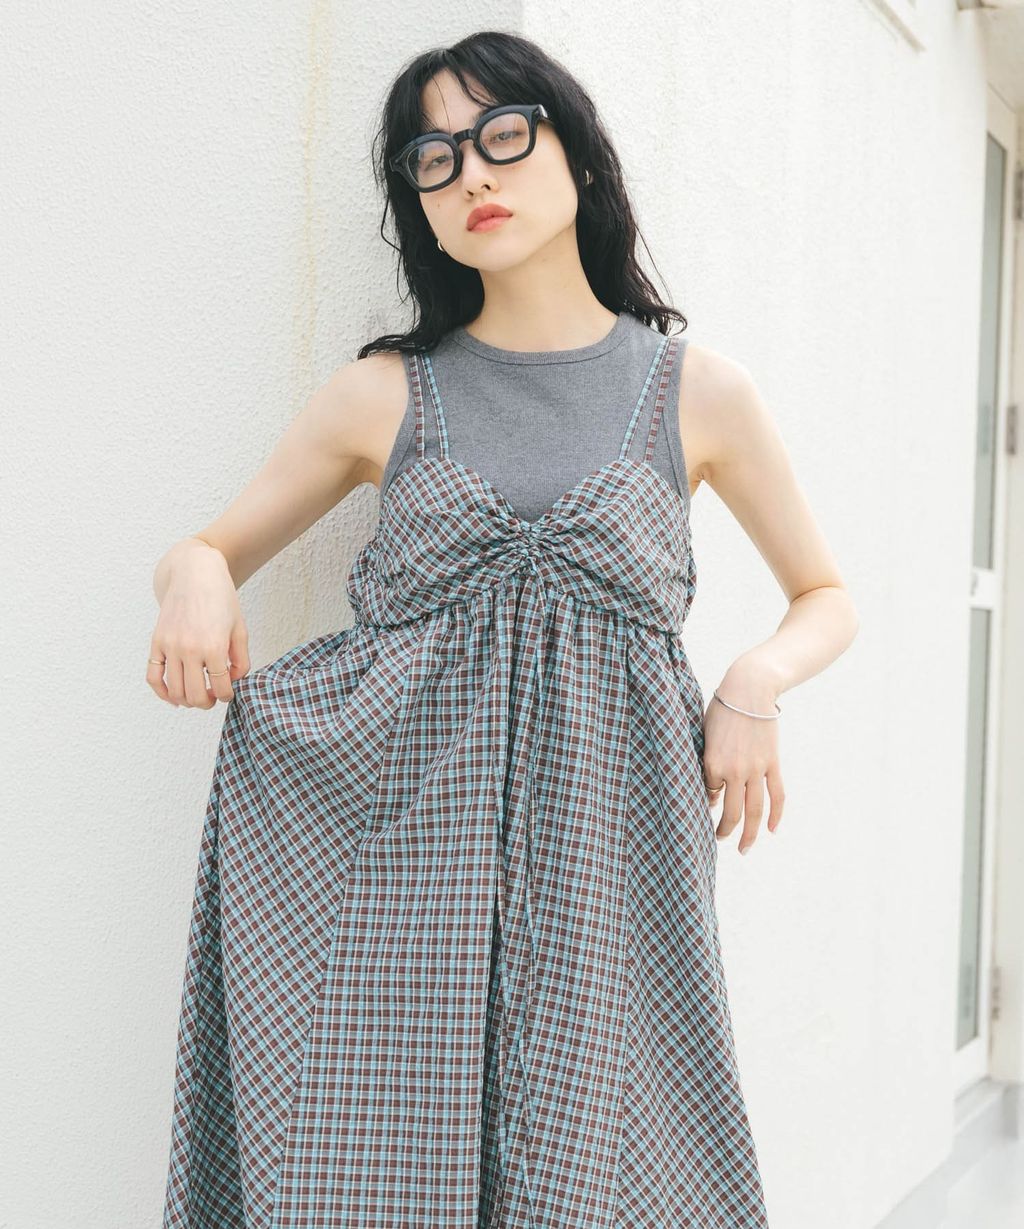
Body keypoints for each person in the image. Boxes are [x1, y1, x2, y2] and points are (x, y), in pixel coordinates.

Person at [152, 30, 858, 1229]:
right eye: (433, 159)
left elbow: (825, 595)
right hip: (397, 850)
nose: (471, 173)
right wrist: (196, 577)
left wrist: (754, 679)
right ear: (419, 207)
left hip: (611, 853)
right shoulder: (384, 393)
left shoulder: (696, 391)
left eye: (501, 136)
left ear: (575, 155)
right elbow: (209, 546)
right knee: (371, 1162)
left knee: (610, 1161)